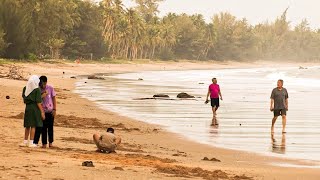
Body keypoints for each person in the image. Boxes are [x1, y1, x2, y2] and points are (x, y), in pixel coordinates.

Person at [20, 75, 45, 147]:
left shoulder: (25, 88)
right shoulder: (37, 89)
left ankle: (25, 141)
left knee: (27, 125)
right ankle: (31, 142)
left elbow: (24, 99)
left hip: (28, 108)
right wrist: (42, 112)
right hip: (35, 109)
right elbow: (38, 102)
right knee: (33, 126)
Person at [34, 76, 57, 148]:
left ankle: (50, 143)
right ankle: (44, 143)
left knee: (50, 127)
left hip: (50, 111)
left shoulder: (50, 88)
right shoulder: (38, 89)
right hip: (42, 111)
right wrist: (43, 95)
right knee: (43, 128)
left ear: (46, 82)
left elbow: (54, 98)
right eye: (40, 84)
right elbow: (37, 100)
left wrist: (54, 109)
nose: (42, 85)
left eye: (43, 84)